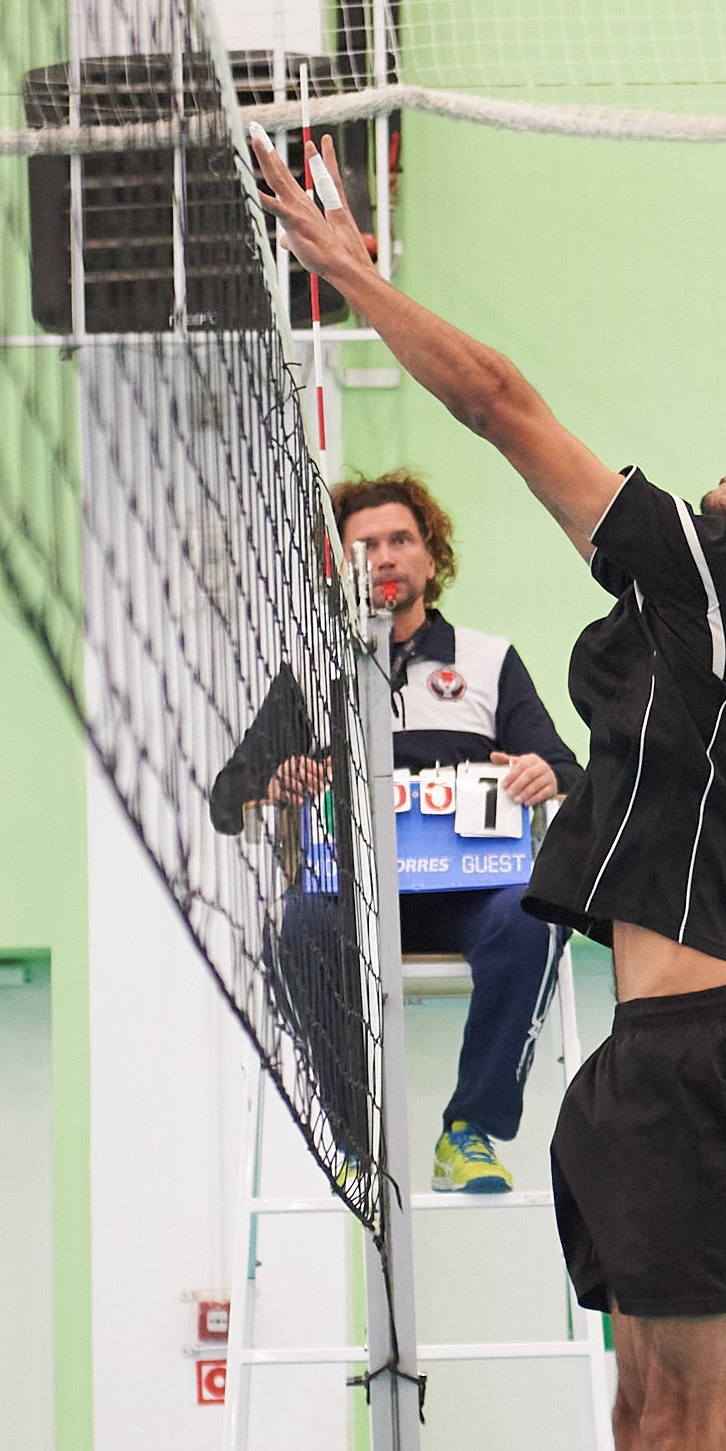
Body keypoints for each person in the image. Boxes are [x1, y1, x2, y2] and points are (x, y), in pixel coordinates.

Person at [252, 130, 726, 1451]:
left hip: (693, 1050)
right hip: (640, 1056)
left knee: (688, 1430)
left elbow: (501, 405)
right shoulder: (712, 610)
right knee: (635, 1417)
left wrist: (352, 271)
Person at [210, 471, 583, 1192]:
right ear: (340, 564)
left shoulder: (487, 660)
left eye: (401, 540)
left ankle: (468, 1131)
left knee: (534, 911)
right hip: (353, 895)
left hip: (466, 893)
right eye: (367, 543)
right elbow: (230, 796)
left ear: (431, 557)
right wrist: (274, 782)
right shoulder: (315, 673)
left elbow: (570, 767)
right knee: (299, 925)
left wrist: (545, 771)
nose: (385, 555)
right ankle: (351, 1134)